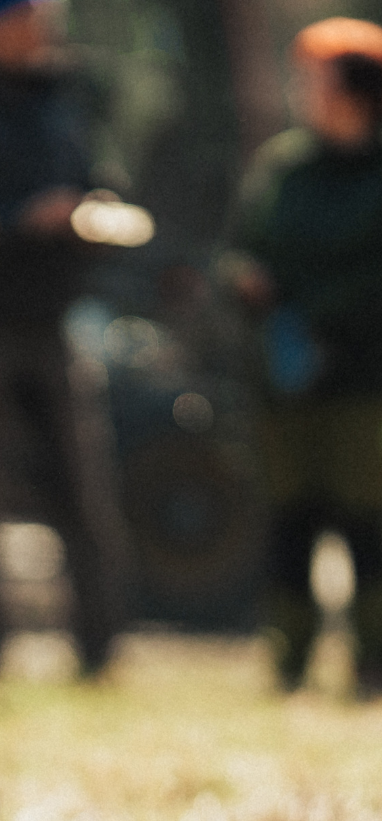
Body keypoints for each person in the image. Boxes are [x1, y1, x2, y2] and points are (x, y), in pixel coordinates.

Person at [0, 0, 130, 677]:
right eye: (26, 16)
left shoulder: (68, 93)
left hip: (55, 315)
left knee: (83, 486)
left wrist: (93, 207)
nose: (42, 27)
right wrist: (19, 220)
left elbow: (101, 173)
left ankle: (100, 649)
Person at [224, 18, 382, 694]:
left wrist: (317, 309)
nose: (302, 92)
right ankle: (289, 663)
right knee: (290, 524)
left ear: (355, 89)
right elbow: (239, 247)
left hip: (365, 379)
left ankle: (372, 665)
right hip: (286, 383)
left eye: (313, 79)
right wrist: (242, 280)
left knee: (369, 525)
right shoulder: (284, 167)